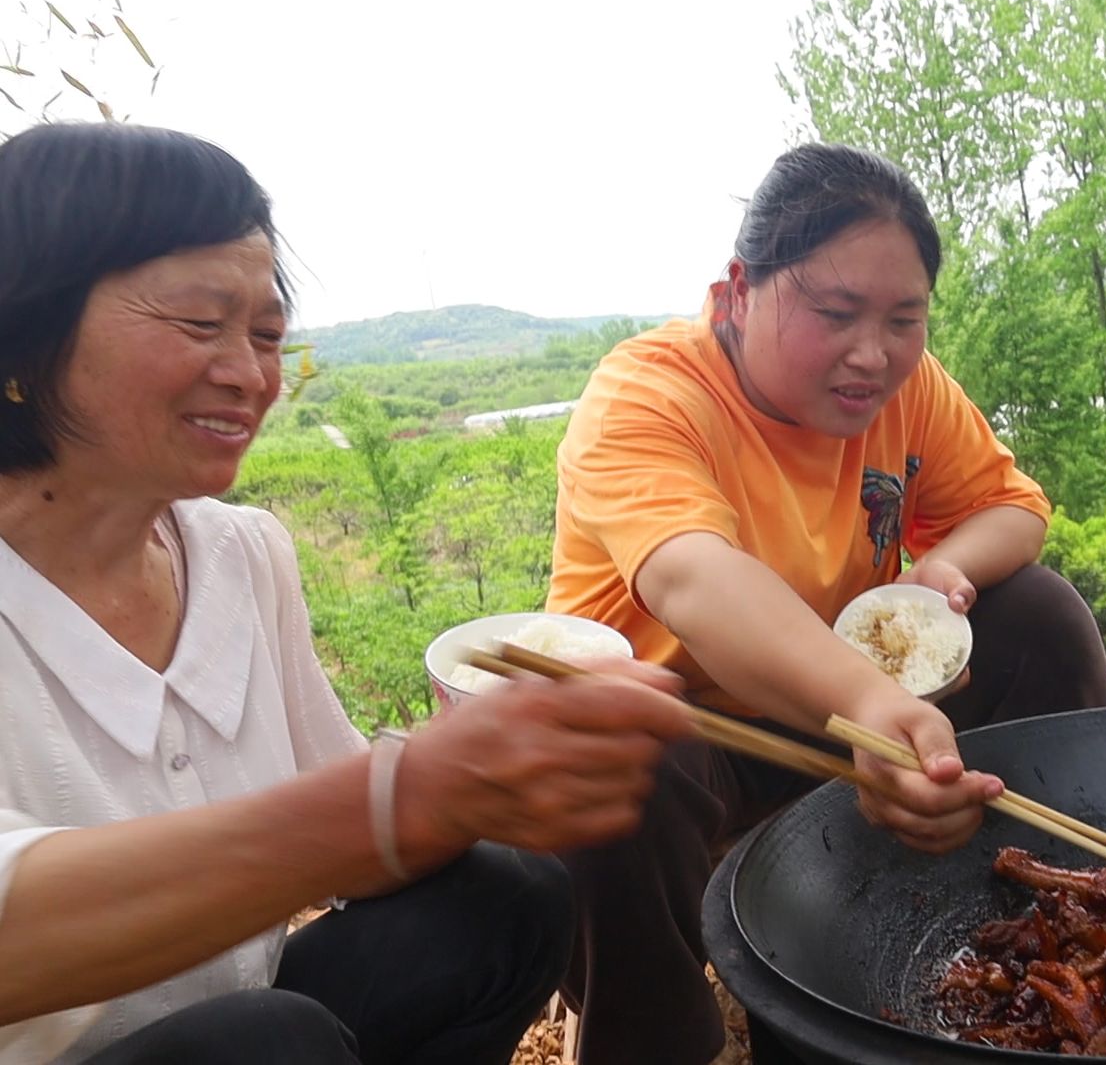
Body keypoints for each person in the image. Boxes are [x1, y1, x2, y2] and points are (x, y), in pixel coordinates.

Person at [0, 122, 696, 1065]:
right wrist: (400, 794)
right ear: (25, 332)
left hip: (266, 1029)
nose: (248, 373)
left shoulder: (241, 555)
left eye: (267, 334)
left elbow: (357, 843)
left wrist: (495, 776)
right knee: (266, 1043)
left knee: (514, 897)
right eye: (201, 324)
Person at [547, 142, 1106, 1063]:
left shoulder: (901, 386)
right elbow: (694, 577)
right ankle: (657, 1036)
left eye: (905, 318)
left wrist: (946, 569)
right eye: (836, 312)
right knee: (623, 758)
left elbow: (1014, 508)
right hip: (692, 742)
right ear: (739, 290)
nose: (874, 353)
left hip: (851, 719)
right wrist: (871, 703)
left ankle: (1061, 922)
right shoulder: (648, 395)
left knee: (1039, 618)